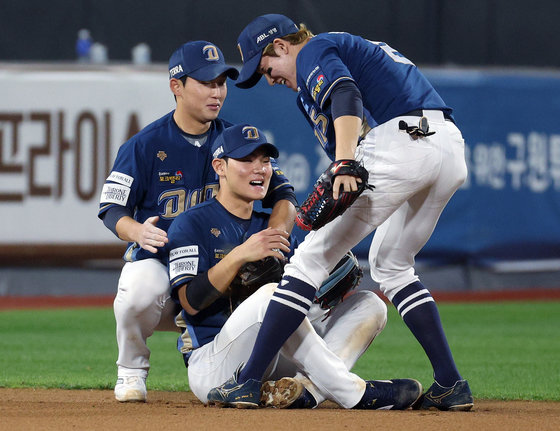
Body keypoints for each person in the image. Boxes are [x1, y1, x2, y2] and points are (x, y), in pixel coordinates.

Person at [207, 14, 473, 411]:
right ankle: (452, 384)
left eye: (267, 67)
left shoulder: (314, 48)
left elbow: (346, 93)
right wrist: (343, 164)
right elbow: (344, 124)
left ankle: (245, 382)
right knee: (393, 265)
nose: (269, 78)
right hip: (447, 146)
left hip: (402, 141)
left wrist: (346, 163)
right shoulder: (316, 78)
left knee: (307, 262)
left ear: (281, 46)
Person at [166, 123, 421, 410]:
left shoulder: (274, 225)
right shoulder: (191, 223)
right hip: (215, 364)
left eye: (265, 161)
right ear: (220, 167)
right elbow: (190, 301)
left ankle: (305, 390)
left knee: (370, 305)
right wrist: (238, 256)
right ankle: (353, 393)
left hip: (274, 359)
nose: (259, 168)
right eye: (246, 160)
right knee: (271, 296)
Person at [97, 40, 297, 402]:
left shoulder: (238, 145)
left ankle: (243, 372)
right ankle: (131, 370)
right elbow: (112, 209)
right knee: (137, 289)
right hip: (163, 266)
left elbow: (284, 194)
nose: (217, 91)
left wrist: (277, 233)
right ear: (177, 86)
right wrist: (137, 231)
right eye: (206, 82)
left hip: (220, 269)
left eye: (221, 82)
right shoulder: (144, 145)